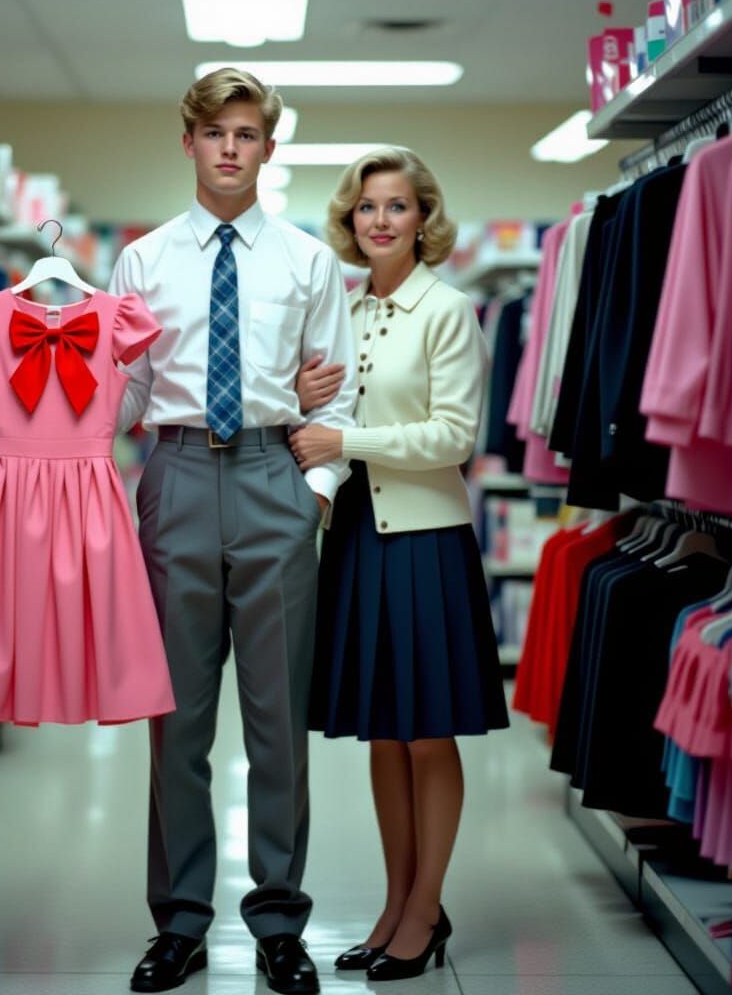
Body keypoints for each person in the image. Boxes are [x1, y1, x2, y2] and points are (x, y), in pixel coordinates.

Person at [110, 68, 358, 994]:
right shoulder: (141, 261)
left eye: (247, 134)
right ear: (188, 142)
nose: (228, 148)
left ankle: (279, 922)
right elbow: (129, 390)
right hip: (174, 475)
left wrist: (318, 493)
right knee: (175, 721)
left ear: (268, 147)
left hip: (272, 476)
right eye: (214, 132)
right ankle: (177, 923)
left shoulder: (306, 262)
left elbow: (340, 387)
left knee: (276, 723)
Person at [290, 146, 509, 982]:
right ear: (351, 222)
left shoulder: (448, 310)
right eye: (366, 208)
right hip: (355, 536)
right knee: (383, 731)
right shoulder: (342, 310)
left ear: (424, 219)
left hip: (424, 539)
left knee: (426, 732)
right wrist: (308, 402)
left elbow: (454, 437)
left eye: (398, 206)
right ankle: (396, 900)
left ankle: (427, 908)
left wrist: (348, 438)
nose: (380, 220)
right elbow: (315, 407)